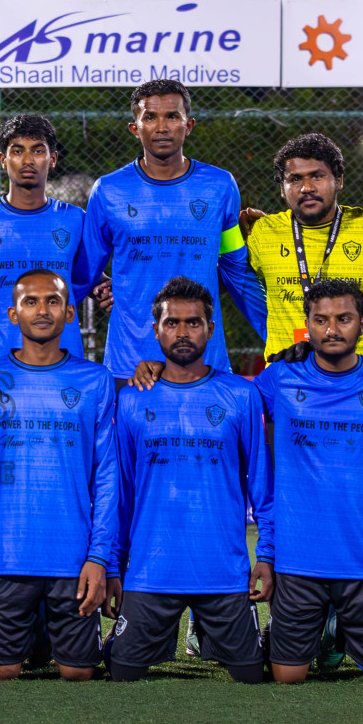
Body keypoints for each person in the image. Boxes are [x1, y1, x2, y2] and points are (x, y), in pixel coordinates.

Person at [253, 280, 363, 685]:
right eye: (321, 320)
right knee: (287, 678)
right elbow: (219, 399)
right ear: (307, 325)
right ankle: (322, 629)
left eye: (343, 319)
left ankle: (339, 628)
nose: (332, 329)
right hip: (298, 562)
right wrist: (154, 366)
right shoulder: (279, 380)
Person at [108, 276, 271, 684]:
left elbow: (262, 488)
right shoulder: (131, 399)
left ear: (210, 330)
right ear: (156, 330)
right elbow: (121, 495)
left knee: (252, 677)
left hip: (224, 573)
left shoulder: (241, 395)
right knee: (121, 674)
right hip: (150, 571)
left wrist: (265, 556)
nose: (183, 332)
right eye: (172, 323)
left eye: (193, 323)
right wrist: (114, 564)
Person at [0, 269, 117, 682]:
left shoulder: (95, 380)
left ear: (70, 312)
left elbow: (106, 477)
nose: (42, 310)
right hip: (8, 555)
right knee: (0, 671)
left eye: (52, 301)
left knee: (78, 674)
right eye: (30, 302)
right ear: (13, 315)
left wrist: (99, 557)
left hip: (73, 557)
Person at [75, 80, 267, 378]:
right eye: (150, 117)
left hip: (203, 359)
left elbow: (236, 269)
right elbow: (85, 269)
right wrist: (102, 287)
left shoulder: (220, 186)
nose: (161, 127)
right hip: (130, 359)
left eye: (172, 116)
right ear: (134, 127)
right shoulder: (108, 190)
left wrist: (277, 334)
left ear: (188, 125)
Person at [243, 133, 363, 362]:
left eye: (317, 176)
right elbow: (226, 280)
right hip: (288, 373)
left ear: (339, 180)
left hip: (361, 378)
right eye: (295, 179)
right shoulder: (263, 233)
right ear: (282, 189)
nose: (306, 188)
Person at [0, 114, 86, 372]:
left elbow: (87, 280)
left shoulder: (76, 220)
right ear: (3, 159)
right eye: (17, 151)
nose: (28, 160)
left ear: (52, 159)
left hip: (62, 363)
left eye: (38, 151)